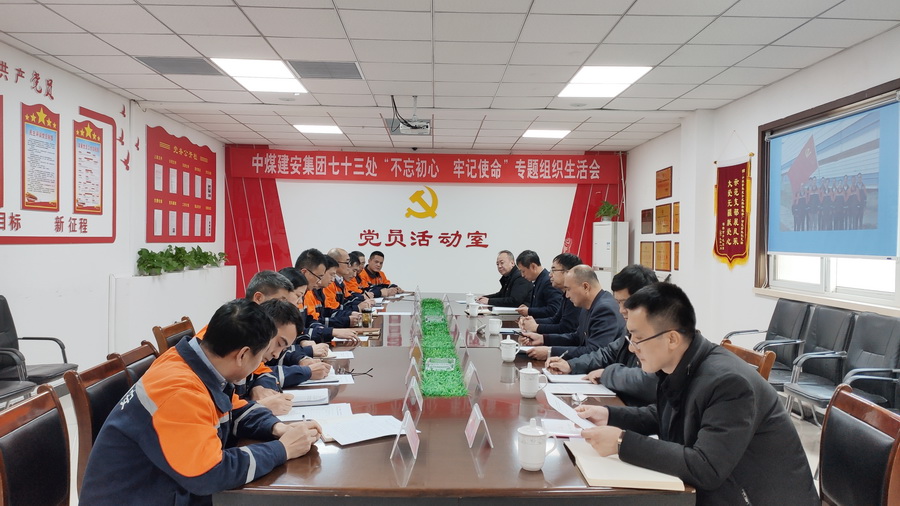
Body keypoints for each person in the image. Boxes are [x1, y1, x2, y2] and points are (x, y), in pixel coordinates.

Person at [575, 283, 818, 505]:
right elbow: (669, 414)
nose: (631, 347)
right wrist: (609, 415)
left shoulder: (728, 383)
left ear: (671, 339)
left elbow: (706, 467)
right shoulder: (683, 364)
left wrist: (622, 443)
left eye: (638, 338)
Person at [80, 299, 323, 505]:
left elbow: (233, 409)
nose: (263, 362)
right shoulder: (181, 392)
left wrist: (277, 428)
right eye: (260, 357)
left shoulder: (198, 364)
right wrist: (282, 449)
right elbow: (209, 473)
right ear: (242, 355)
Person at [545, 264, 658, 406]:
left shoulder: (660, 333)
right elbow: (608, 353)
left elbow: (648, 380)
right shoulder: (632, 326)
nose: (621, 310)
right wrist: (571, 365)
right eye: (618, 302)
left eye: (625, 303)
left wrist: (607, 374)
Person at [519, 265, 623, 361]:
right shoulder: (589, 304)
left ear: (585, 287)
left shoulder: (605, 309)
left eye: (568, 289)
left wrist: (550, 352)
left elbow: (594, 352)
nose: (567, 295)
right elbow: (577, 338)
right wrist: (543, 339)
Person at [295, 248, 358, 344]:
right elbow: (295, 334)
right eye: (319, 276)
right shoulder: (296, 294)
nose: (319, 281)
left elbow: (312, 321)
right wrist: (332, 331)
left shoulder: (309, 292)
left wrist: (330, 331)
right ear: (304, 272)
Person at [519, 253, 583, 335]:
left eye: (554, 270)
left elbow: (566, 328)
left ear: (568, 273)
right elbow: (555, 320)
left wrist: (537, 327)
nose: (550, 274)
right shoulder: (566, 295)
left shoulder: (576, 297)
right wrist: (531, 321)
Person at [514, 250, 562, 319]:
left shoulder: (548, 282)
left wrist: (529, 311)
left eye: (523, 271)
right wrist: (528, 309)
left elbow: (554, 309)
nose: (522, 275)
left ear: (533, 266)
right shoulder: (538, 281)